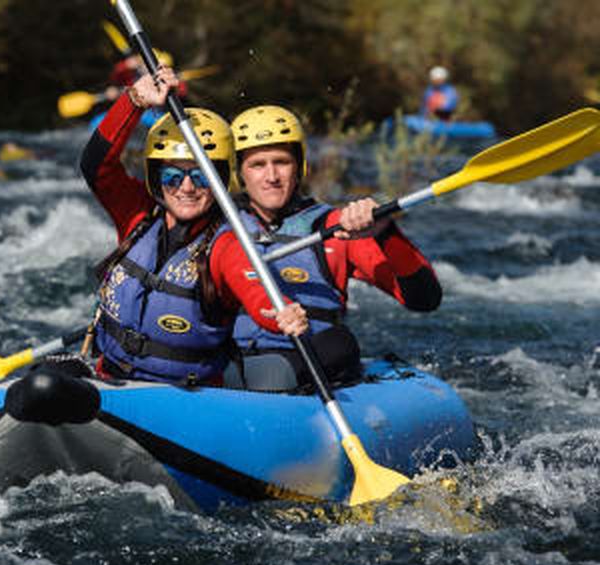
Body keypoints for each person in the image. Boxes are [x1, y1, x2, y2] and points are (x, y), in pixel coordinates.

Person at [80, 69, 308, 384]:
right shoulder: (136, 215)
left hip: (183, 395)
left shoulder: (226, 243)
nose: (186, 188)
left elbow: (255, 290)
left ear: (221, 179)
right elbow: (95, 165)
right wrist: (134, 100)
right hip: (109, 377)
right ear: (155, 178)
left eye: (201, 176)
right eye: (173, 175)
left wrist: (280, 313)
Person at [225, 105, 442, 390]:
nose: (271, 176)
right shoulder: (219, 226)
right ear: (239, 172)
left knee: (341, 345)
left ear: (300, 166)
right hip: (231, 359)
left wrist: (384, 232)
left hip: (311, 364)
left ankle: (275, 379)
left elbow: (424, 298)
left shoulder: (336, 227)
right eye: (257, 165)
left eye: (281, 162)